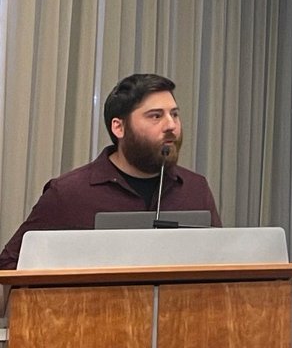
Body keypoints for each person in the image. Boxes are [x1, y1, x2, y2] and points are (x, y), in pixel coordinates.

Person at [0, 73, 222, 269]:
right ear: (119, 127)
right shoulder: (70, 193)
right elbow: (10, 266)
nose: (171, 125)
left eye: (174, 114)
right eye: (156, 116)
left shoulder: (195, 188)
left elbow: (221, 265)